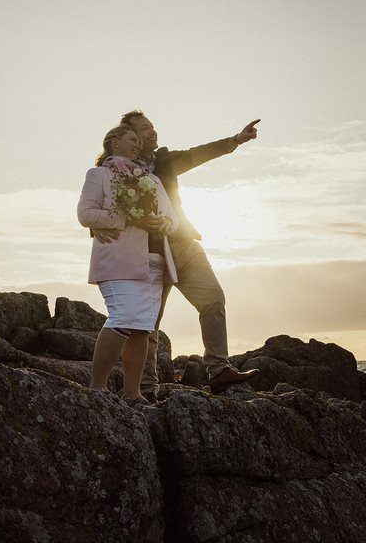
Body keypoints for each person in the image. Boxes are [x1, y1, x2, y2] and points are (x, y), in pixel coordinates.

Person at [93, 111, 260, 400]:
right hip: (148, 252)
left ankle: (218, 371)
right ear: (128, 137)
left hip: (184, 245)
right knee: (147, 324)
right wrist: (96, 226)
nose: (152, 132)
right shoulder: (117, 170)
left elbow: (199, 154)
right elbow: (100, 203)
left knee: (213, 299)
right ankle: (144, 389)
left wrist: (235, 140)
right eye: (144, 130)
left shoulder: (167, 161)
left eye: (152, 127)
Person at [78, 124, 179, 403]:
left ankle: (132, 393)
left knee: (142, 327)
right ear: (114, 143)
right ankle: (97, 388)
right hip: (117, 259)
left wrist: (164, 222)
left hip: (155, 262)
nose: (137, 144)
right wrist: (126, 219)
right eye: (132, 139)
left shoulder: (153, 181)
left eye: (138, 140)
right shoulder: (99, 175)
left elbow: (174, 218)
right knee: (123, 317)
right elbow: (85, 214)